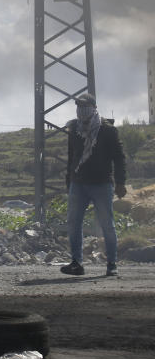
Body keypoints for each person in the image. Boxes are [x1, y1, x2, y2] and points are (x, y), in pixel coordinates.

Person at [60, 93, 127, 277]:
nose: (81, 110)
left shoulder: (107, 130)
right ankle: (76, 263)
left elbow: (119, 158)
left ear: (93, 108)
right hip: (78, 184)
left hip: (101, 183)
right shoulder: (74, 129)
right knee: (73, 223)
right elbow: (72, 156)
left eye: (84, 106)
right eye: (78, 107)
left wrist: (121, 182)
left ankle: (112, 263)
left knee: (107, 224)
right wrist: (69, 180)